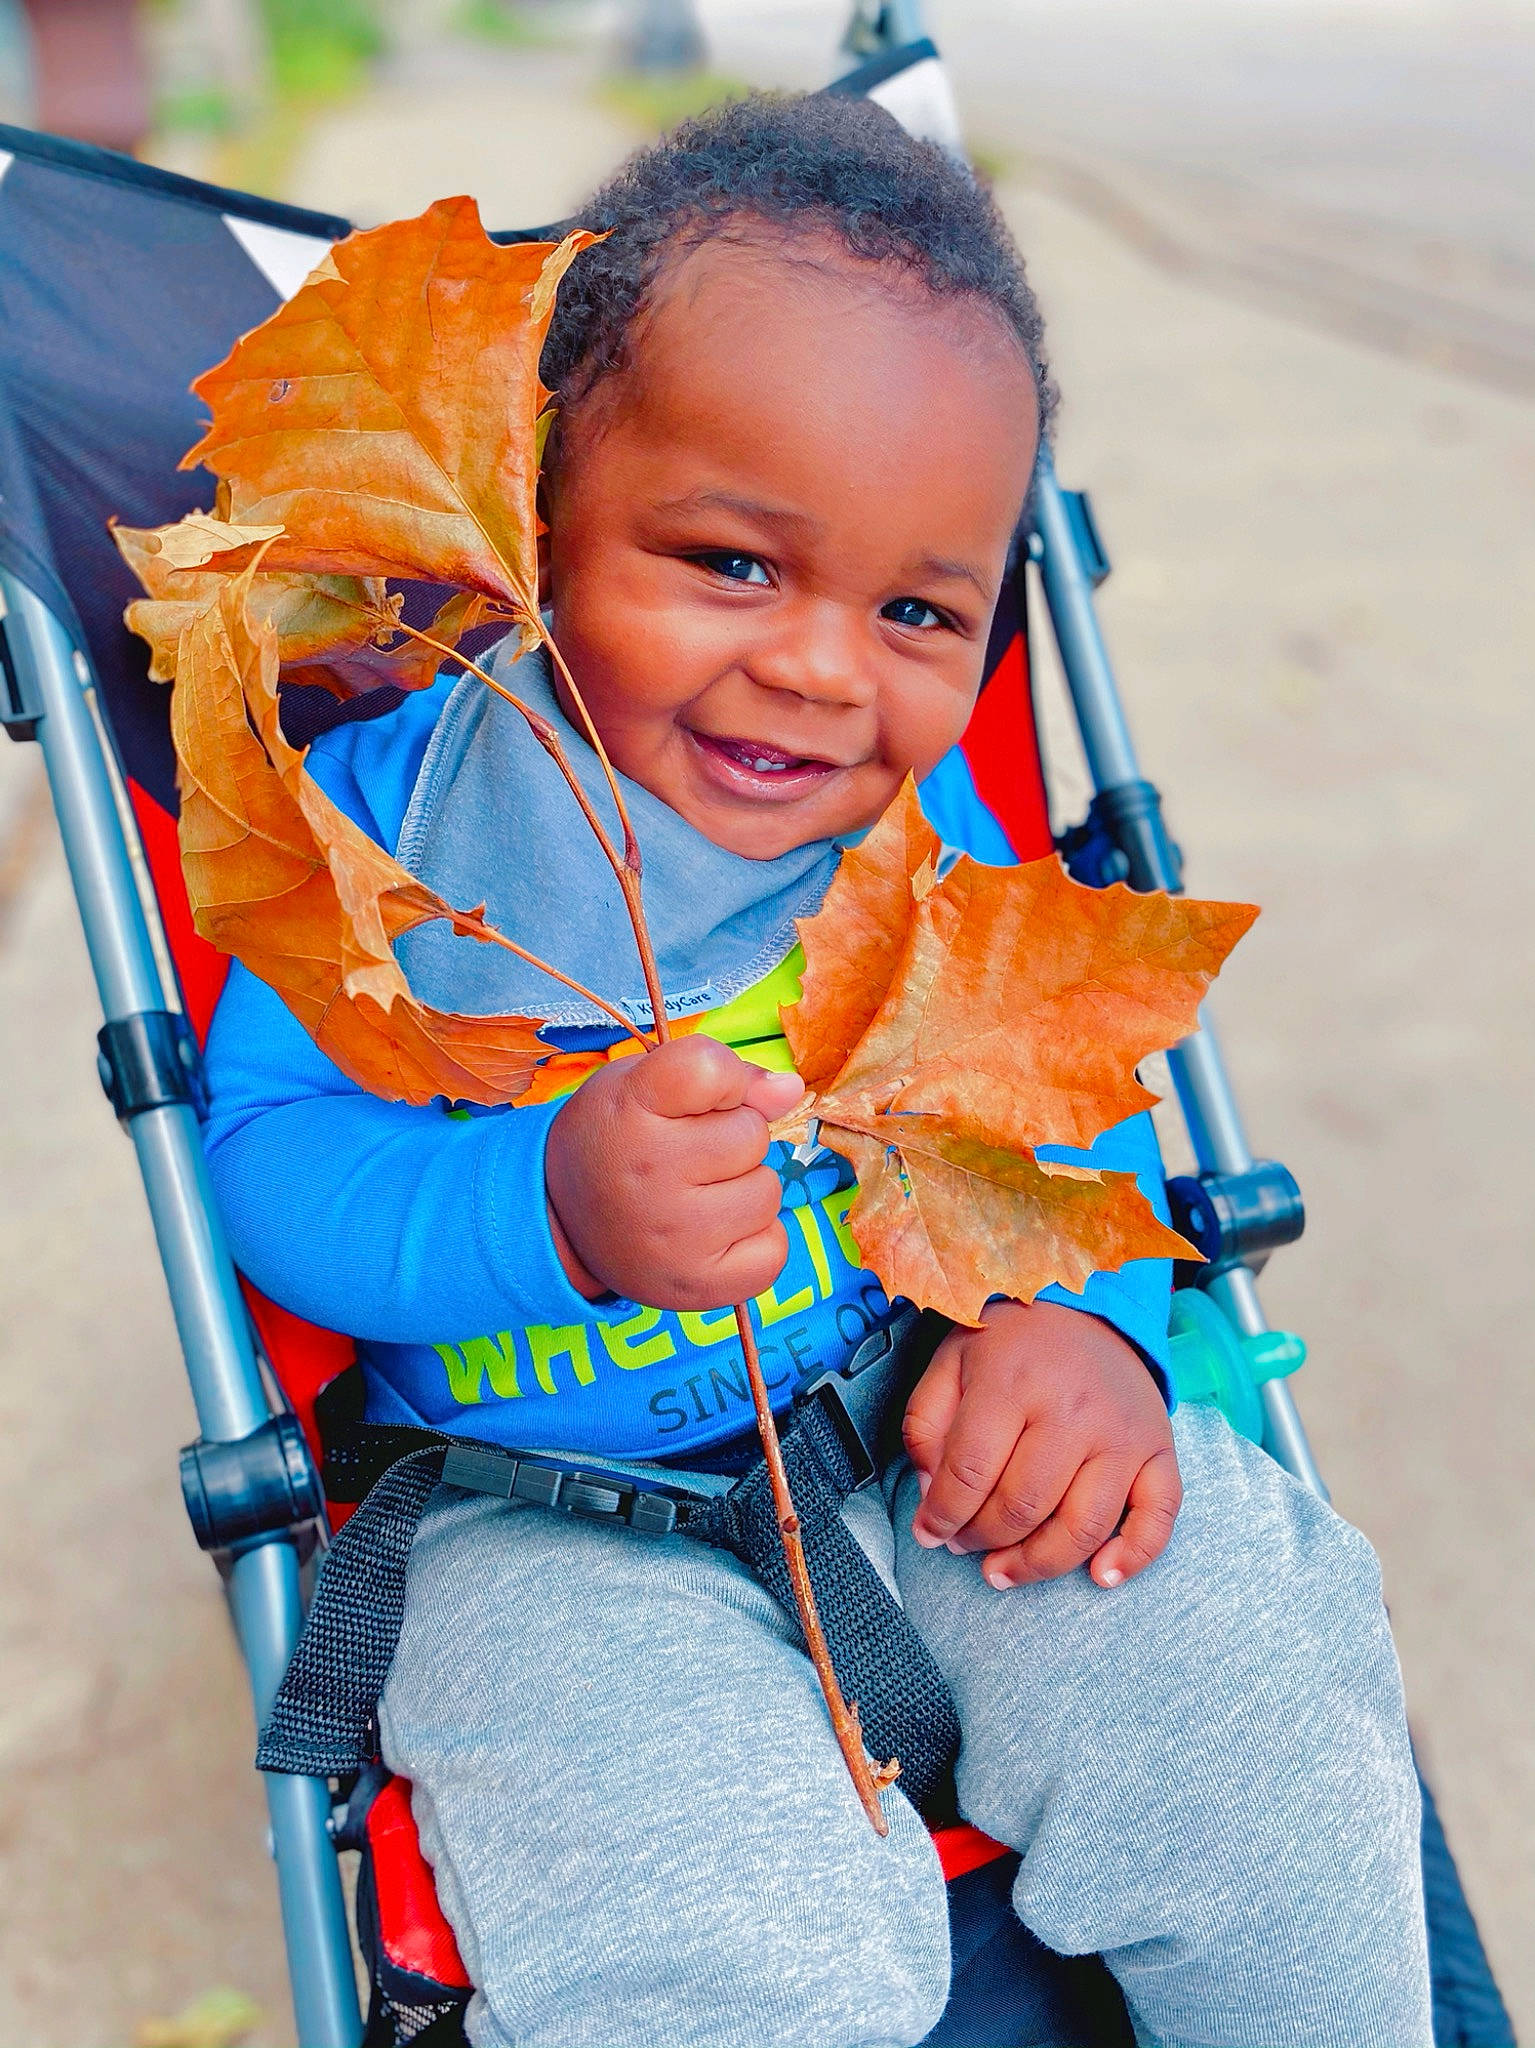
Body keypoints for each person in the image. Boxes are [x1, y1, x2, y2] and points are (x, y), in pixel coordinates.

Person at [202, 94, 1432, 2048]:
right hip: (550, 1519)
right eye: (733, 565)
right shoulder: (378, 846)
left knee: (1238, 1661)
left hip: (920, 1417)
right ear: (535, 517)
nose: (826, 672)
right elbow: (265, 1167)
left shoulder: (924, 846)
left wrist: (1083, 1312)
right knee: (715, 1948)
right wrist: (540, 1210)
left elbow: (1060, 1096)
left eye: (920, 610)